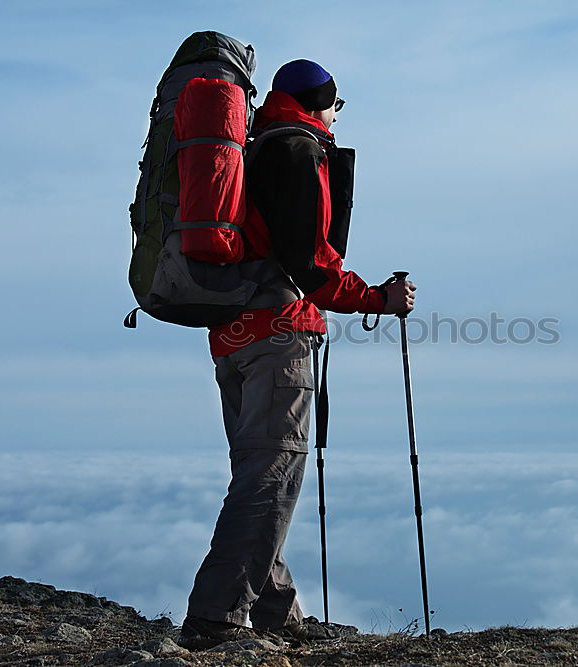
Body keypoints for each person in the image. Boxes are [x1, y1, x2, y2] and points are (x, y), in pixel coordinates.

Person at [177, 59, 416, 650]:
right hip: (277, 332)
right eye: (337, 106)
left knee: (259, 469)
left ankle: (275, 611)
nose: (337, 117)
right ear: (322, 102)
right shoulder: (299, 152)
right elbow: (312, 262)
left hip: (230, 334)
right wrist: (377, 298)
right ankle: (216, 615)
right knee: (272, 473)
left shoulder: (253, 148)